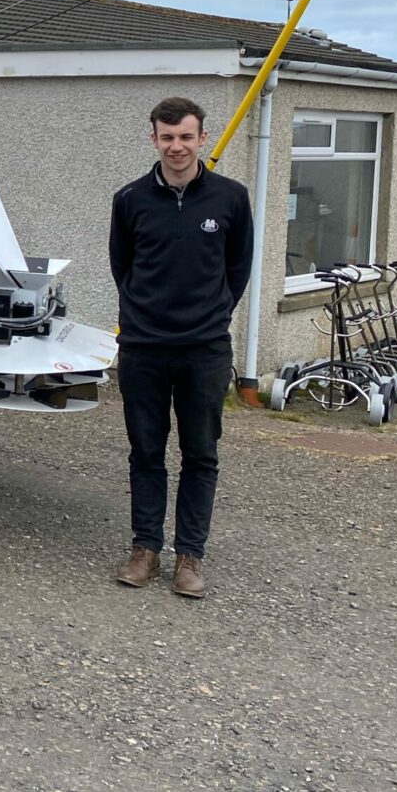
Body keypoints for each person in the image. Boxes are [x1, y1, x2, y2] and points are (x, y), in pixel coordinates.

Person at [108, 96, 253, 599]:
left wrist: (210, 316)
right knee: (145, 451)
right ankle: (144, 548)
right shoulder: (129, 199)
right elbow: (122, 268)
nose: (177, 146)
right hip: (144, 348)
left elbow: (237, 270)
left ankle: (190, 555)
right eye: (167, 137)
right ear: (153, 139)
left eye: (186, 137)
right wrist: (145, 317)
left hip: (204, 350)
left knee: (201, 454)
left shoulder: (231, 199)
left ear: (201, 139)